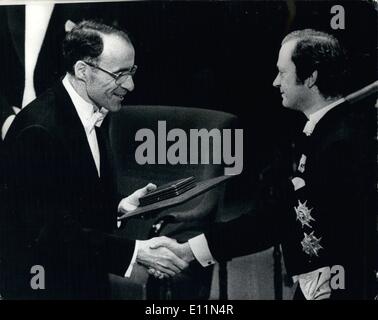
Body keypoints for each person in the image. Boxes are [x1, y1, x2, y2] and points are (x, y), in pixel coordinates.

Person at [149, 29, 376, 300]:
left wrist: (187, 252)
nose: (275, 82)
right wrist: (188, 251)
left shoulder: (340, 144)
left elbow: (282, 221)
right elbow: (280, 213)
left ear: (311, 77)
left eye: (282, 72)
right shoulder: (326, 131)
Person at [0, 20, 187, 300]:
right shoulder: (38, 130)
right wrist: (137, 252)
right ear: (82, 71)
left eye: (132, 71)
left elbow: (68, 200)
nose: (131, 84)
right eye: (120, 74)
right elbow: (48, 232)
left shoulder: (91, 109)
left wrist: (119, 206)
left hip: (81, 278)